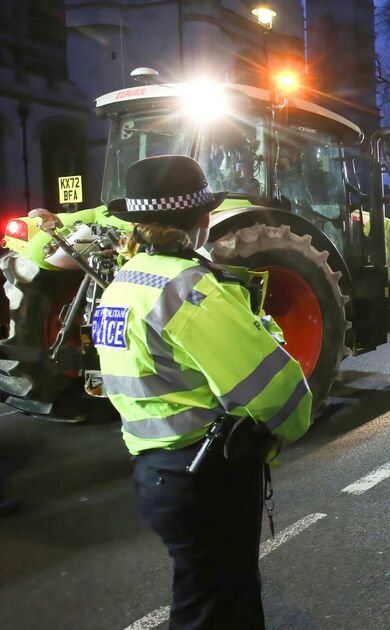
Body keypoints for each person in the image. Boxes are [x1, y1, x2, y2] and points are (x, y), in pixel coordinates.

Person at [95, 155, 313, 628]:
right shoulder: (190, 290)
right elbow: (273, 387)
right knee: (220, 599)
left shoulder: (124, 284)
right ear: (200, 220)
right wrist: (288, 428)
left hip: (156, 469)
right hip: (206, 476)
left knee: (202, 590)